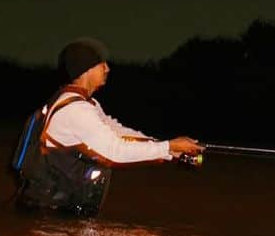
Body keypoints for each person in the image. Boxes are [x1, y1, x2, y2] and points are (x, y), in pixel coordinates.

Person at [13, 37, 202, 216]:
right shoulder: (76, 110)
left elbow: (117, 132)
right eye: (101, 64)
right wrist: (168, 146)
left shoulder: (88, 104)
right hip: (47, 213)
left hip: (58, 210)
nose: (108, 68)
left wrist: (168, 149)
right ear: (85, 70)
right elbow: (114, 151)